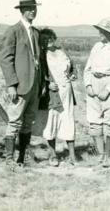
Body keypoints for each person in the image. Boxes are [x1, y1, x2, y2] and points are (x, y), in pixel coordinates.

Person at [0, 0, 46, 169]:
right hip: (20, 86)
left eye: (34, 8)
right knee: (14, 121)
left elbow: (39, 60)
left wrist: (41, 84)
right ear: (22, 10)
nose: (32, 11)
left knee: (28, 122)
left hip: (34, 86)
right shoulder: (13, 31)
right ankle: (9, 160)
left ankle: (22, 158)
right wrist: (11, 84)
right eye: (28, 8)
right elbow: (5, 58)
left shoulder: (35, 32)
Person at [83, 18, 110, 168]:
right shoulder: (96, 46)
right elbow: (87, 68)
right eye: (99, 30)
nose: (99, 33)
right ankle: (101, 155)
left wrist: (108, 90)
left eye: (102, 30)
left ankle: (108, 156)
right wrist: (88, 84)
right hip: (94, 84)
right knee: (94, 123)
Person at [39, 28, 78, 166]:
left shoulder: (62, 51)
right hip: (52, 94)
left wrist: (72, 74)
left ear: (54, 38)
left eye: (50, 38)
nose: (48, 41)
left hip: (66, 93)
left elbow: (72, 68)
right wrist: (47, 84)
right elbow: (37, 75)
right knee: (51, 122)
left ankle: (72, 156)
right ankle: (53, 155)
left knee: (68, 120)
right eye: (44, 39)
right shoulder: (41, 55)